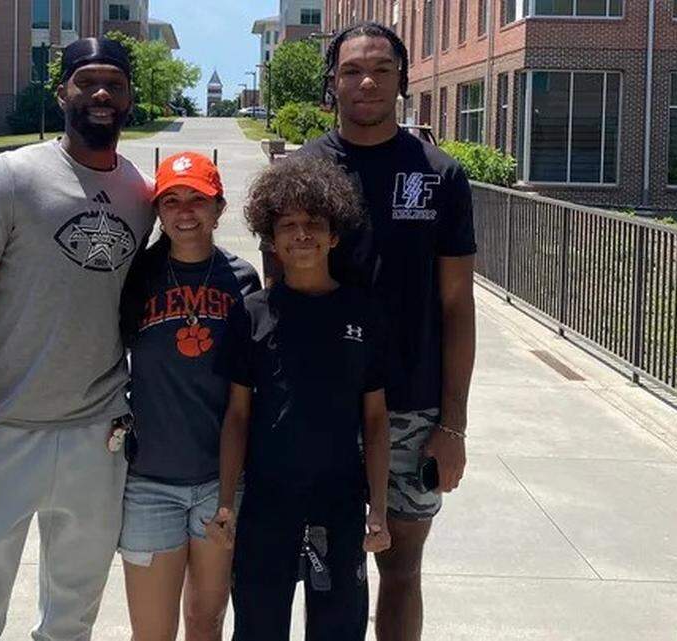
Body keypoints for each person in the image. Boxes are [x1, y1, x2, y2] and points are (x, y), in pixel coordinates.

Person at [0, 37, 155, 641]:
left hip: (98, 435)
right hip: (5, 430)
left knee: (73, 615)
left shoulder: (142, 193)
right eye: (87, 82)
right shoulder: (12, 176)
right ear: (63, 94)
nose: (101, 93)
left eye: (115, 83)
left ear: (131, 99)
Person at [298, 22, 478, 641]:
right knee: (328, 570)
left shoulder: (439, 175)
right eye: (351, 70)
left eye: (380, 69)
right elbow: (282, 307)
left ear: (403, 80)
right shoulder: (303, 173)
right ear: (332, 84)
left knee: (401, 569)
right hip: (326, 408)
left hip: (413, 405)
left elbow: (458, 307)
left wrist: (451, 425)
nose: (366, 80)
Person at [207, 156, 393, 640]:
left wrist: (377, 507)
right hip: (268, 503)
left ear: (335, 235)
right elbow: (237, 416)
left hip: (339, 502)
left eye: (314, 224)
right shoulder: (252, 315)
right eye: (288, 225)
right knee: (258, 627)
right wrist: (227, 502)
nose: (301, 235)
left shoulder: (363, 314)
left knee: (338, 629)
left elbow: (375, 420)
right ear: (272, 238)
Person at [117, 152, 260, 641]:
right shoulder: (135, 277)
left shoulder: (243, 281)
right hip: (149, 482)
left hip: (219, 484)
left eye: (197, 199)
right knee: (153, 632)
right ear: (157, 212)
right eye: (171, 201)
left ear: (219, 208)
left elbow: (250, 389)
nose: (184, 212)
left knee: (206, 623)